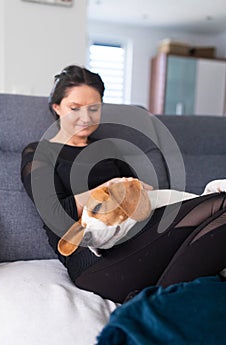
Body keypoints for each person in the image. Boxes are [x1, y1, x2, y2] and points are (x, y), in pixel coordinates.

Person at [21, 65, 226, 303]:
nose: (85, 118)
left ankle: (159, 299)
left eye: (94, 109)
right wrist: (110, 190)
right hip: (93, 258)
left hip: (138, 236)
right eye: (74, 108)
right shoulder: (39, 152)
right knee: (220, 205)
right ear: (57, 107)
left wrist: (133, 191)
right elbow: (55, 213)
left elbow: (137, 195)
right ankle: (159, 303)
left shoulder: (108, 149)